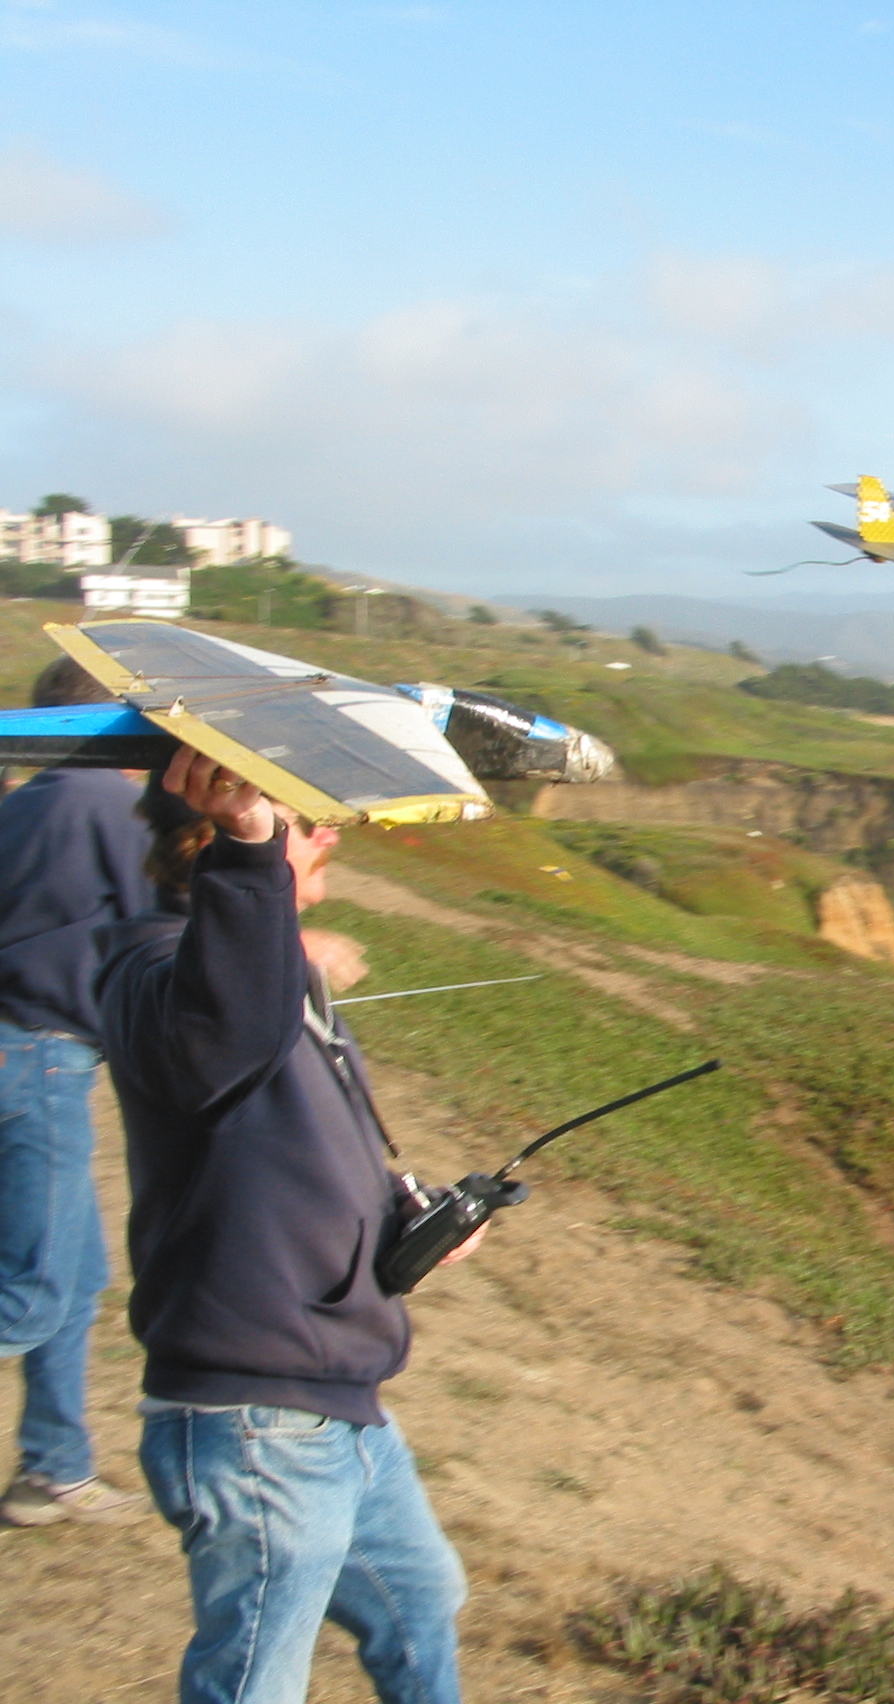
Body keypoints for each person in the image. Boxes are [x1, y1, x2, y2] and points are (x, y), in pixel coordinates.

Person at [97, 748, 479, 1704]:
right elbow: (219, 1044)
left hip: (339, 1395)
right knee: (255, 1683)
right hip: (255, 1414)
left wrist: (403, 1210)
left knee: (422, 1599)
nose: (330, 834)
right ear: (215, 828)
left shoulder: (281, 980)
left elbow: (307, 1135)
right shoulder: (153, 971)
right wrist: (249, 842)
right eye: (308, 819)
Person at [0, 655, 156, 1527]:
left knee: (77, 1270)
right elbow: (161, 916)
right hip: (41, 1059)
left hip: (26, 1053)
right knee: (35, 1287)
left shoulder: (24, 802)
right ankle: (52, 1469)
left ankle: (52, 1469)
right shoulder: (108, 805)